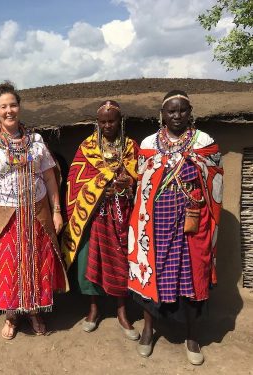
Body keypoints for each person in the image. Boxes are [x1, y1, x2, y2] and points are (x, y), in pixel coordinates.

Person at [127, 90, 223, 365]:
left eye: (182, 110)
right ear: (163, 114)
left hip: (191, 224)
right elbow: (142, 181)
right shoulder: (148, 143)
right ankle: (147, 330)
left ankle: (192, 336)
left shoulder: (204, 141)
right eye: (172, 111)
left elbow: (215, 177)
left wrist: (195, 167)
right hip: (155, 223)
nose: (177, 116)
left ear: (190, 112)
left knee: (191, 277)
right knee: (150, 273)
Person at [0, 82, 68, 340]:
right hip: (1, 217)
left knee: (35, 263)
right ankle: (11, 316)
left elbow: (49, 178)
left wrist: (56, 211)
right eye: (4, 106)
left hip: (35, 214)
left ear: (19, 107)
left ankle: (35, 311)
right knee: (7, 265)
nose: (9, 110)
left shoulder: (35, 141)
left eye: (13, 105)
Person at [61, 100, 139, 340]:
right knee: (90, 261)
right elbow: (73, 182)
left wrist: (129, 184)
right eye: (103, 121)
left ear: (120, 121)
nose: (107, 125)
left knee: (121, 261)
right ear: (97, 123)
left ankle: (122, 311)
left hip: (122, 216)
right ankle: (93, 309)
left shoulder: (130, 147)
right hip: (94, 216)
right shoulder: (87, 147)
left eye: (112, 120)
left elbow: (143, 178)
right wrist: (96, 189)